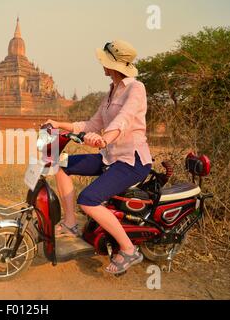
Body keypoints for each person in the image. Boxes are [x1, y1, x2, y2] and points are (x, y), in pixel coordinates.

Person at [45, 40, 152, 274]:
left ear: (113, 65)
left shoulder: (136, 88)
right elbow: (93, 123)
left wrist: (105, 139)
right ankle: (71, 223)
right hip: (109, 156)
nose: (101, 64)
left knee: (89, 199)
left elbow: (122, 120)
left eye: (104, 61)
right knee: (60, 165)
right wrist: (58, 124)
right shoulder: (112, 90)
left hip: (131, 160)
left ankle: (129, 249)